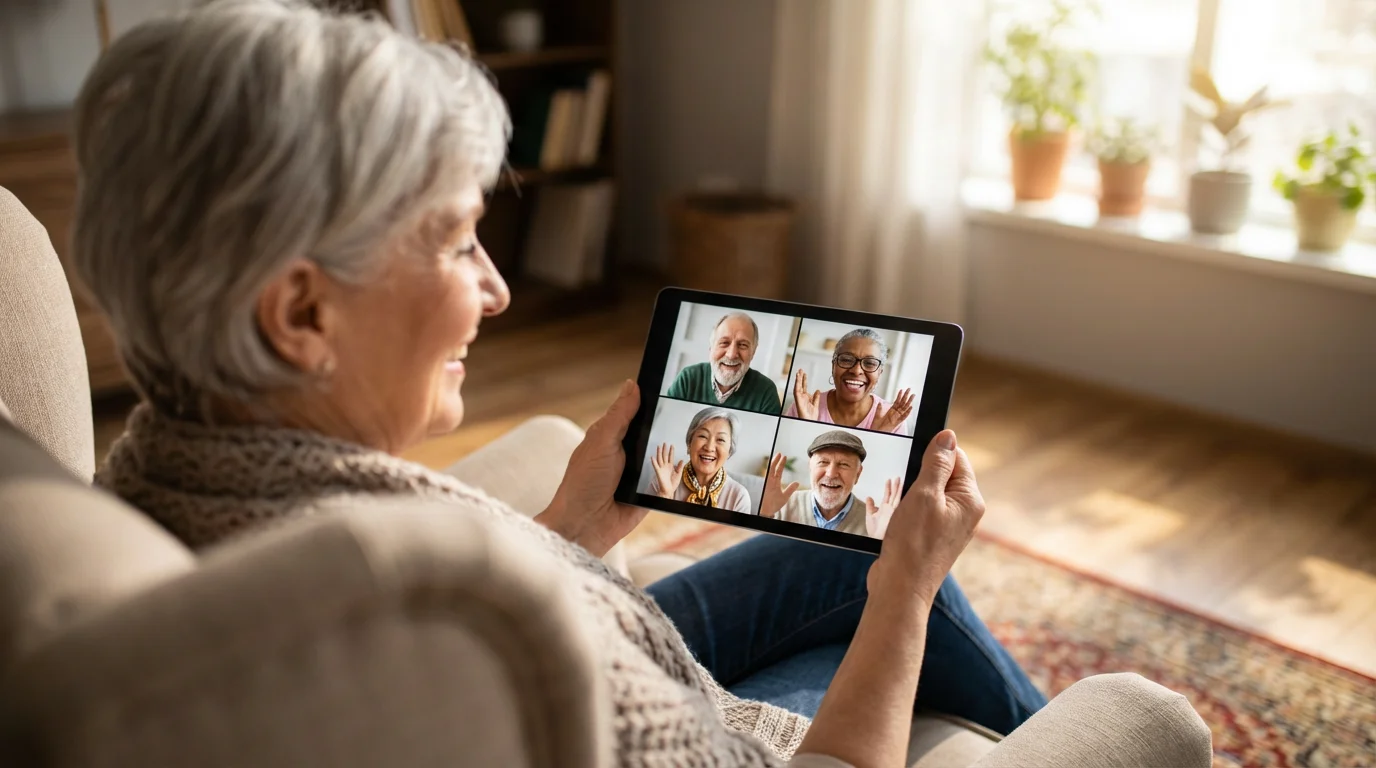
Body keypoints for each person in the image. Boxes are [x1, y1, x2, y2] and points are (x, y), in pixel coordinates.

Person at [72, 2, 1050, 764]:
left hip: (572, 627)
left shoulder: (164, 477)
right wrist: (908, 592)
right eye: (460, 242)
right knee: (891, 572)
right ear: (301, 316)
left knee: (849, 554)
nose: (496, 289)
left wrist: (579, 526)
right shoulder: (422, 621)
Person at [759, 431, 902, 539]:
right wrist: (764, 515)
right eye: (823, 462)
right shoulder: (780, 506)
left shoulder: (873, 523)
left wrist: (878, 543)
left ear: (858, 474)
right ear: (810, 467)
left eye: (844, 464)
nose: (831, 474)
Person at [786, 328, 915, 434]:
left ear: (879, 372)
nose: (857, 370)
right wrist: (806, 426)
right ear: (833, 366)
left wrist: (877, 436)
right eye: (847, 360)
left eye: (869, 363)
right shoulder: (804, 407)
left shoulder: (892, 419)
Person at [666, 312, 783, 414]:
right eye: (724, 343)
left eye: (743, 345)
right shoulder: (688, 377)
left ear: (753, 352)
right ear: (711, 347)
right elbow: (666, 421)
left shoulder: (766, 391)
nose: (731, 354)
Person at [647, 406, 752, 513]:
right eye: (703, 436)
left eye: (720, 439)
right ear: (689, 444)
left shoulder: (739, 496)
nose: (709, 447)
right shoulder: (664, 479)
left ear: (730, 451)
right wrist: (665, 494)